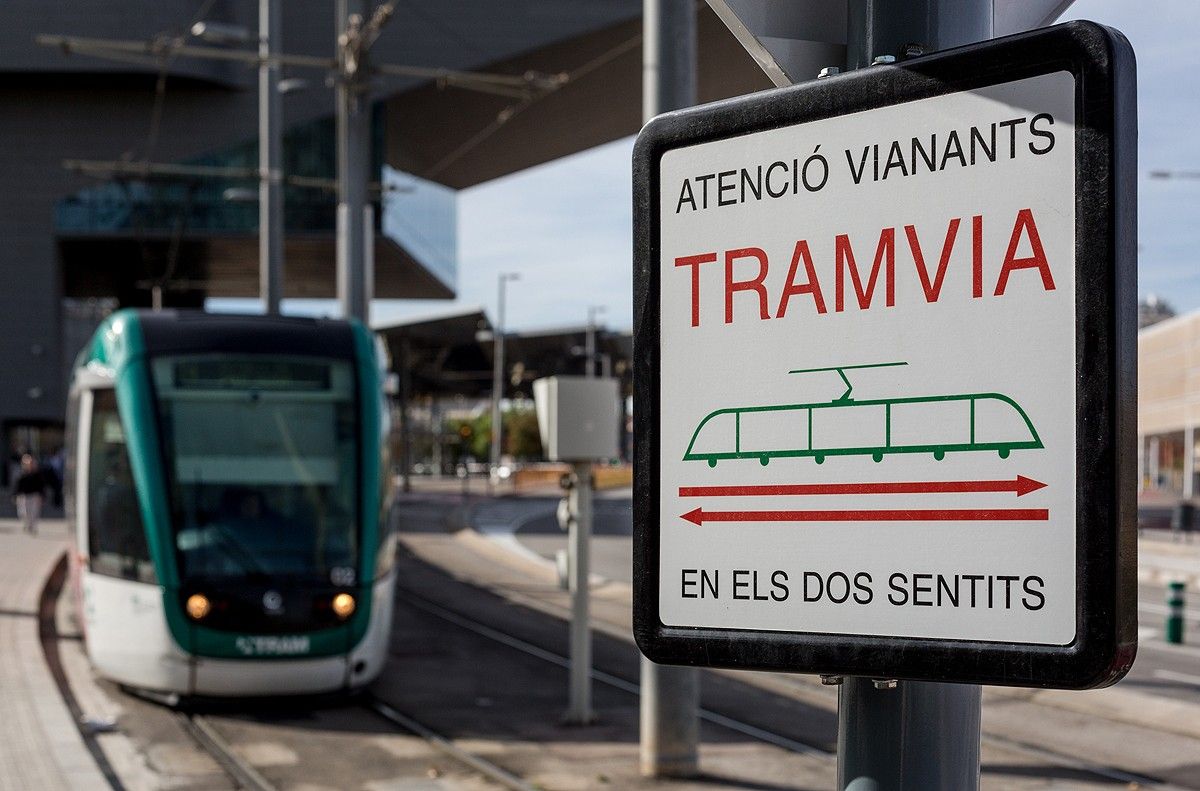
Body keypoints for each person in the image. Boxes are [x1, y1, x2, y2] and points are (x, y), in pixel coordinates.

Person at [12, 454, 46, 534]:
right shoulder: (21, 474)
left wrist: (42, 496)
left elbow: (41, 486)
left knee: (34, 513)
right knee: (23, 513)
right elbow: (17, 486)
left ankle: (33, 526)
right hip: (24, 496)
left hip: (35, 496)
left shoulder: (37, 474)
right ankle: (27, 524)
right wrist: (15, 496)